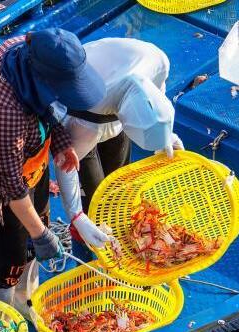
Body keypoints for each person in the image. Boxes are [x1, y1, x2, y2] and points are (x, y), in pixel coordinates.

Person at [0, 28, 106, 314]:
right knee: (9, 256)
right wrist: (42, 235)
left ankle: (25, 300)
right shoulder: (4, 111)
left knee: (34, 236)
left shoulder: (22, 49)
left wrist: (60, 142)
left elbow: (48, 108)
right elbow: (10, 186)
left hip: (32, 165)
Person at [53, 38, 184, 250]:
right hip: (79, 109)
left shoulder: (159, 62)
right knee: (93, 209)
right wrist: (76, 216)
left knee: (120, 194)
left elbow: (154, 98)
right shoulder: (88, 118)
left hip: (110, 86)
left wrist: (166, 135)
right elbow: (65, 165)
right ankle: (86, 262)